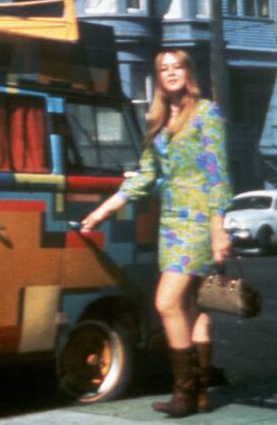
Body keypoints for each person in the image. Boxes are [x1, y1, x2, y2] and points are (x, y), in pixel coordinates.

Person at [82, 49, 231, 418]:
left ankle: (183, 393)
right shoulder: (160, 121)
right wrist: (102, 211)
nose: (171, 73)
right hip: (171, 224)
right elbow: (145, 177)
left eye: (177, 66)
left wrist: (218, 230)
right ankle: (199, 394)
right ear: (158, 79)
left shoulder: (207, 114)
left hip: (198, 222)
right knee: (193, 308)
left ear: (189, 71)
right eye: (163, 69)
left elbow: (218, 176)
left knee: (166, 303)